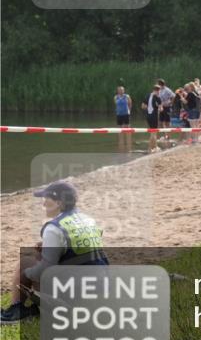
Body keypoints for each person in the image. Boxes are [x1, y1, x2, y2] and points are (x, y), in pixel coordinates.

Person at [1, 181, 108, 325]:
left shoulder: (54, 228)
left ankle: (16, 311)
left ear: (58, 202)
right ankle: (41, 306)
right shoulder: (88, 220)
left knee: (26, 263)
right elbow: (91, 242)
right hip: (99, 288)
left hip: (75, 295)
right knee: (43, 256)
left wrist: (25, 276)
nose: (43, 204)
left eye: (46, 199)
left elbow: (45, 270)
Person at [140, 83, 162, 153]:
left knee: (152, 132)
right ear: (158, 90)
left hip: (148, 116)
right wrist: (158, 108)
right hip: (154, 116)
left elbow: (142, 106)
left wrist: (149, 107)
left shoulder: (148, 95)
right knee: (154, 133)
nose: (158, 92)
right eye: (159, 91)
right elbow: (161, 109)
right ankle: (151, 148)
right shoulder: (158, 98)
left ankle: (153, 147)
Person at [113, 85, 132, 153]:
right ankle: (121, 142)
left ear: (124, 90)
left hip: (126, 114)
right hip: (119, 114)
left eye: (122, 90)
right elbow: (116, 104)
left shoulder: (127, 96)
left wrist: (129, 110)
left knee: (127, 127)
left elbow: (130, 103)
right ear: (117, 91)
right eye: (119, 90)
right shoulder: (116, 97)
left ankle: (128, 142)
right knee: (119, 128)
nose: (121, 91)